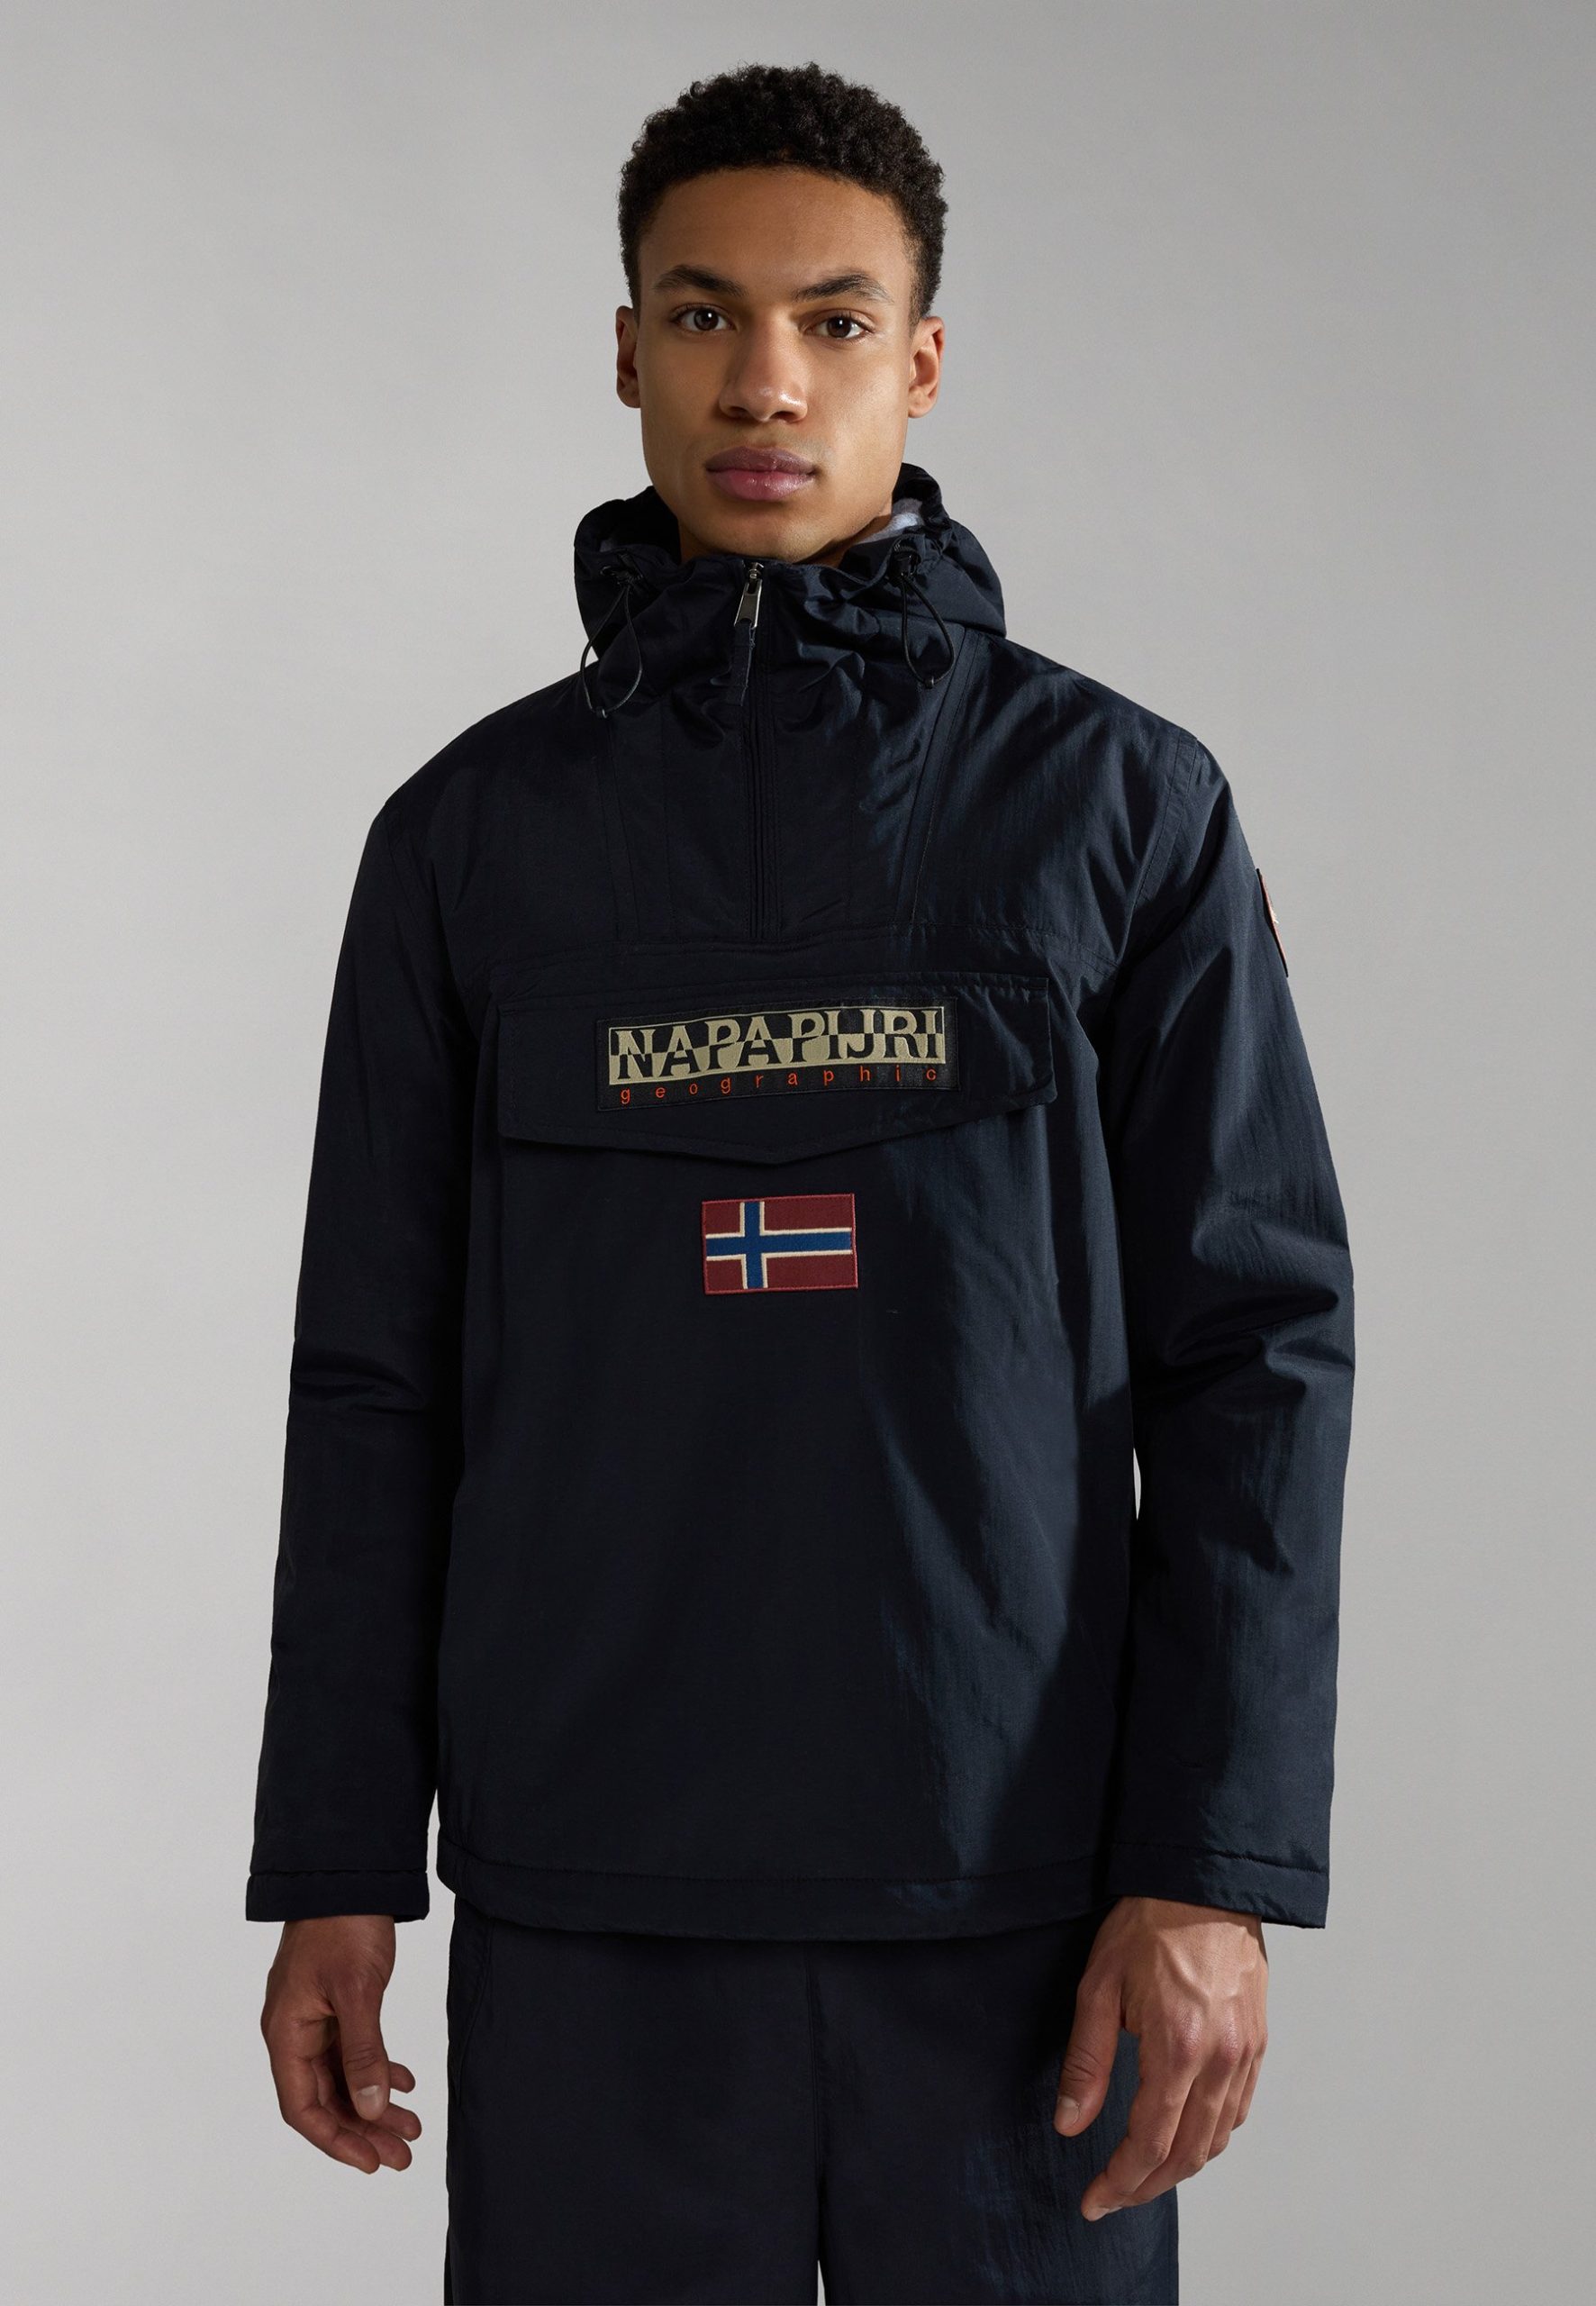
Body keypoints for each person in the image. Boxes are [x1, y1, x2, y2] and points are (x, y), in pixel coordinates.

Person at [249, 59, 1354, 2306]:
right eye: (704, 314)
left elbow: (1258, 1350)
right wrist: (338, 1862)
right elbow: (374, 1382)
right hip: (591, 1907)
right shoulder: (465, 845)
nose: (766, 379)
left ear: (919, 360)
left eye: (834, 320)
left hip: (1026, 1913)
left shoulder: (1118, 808)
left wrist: (1212, 1865)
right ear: (626, 347)